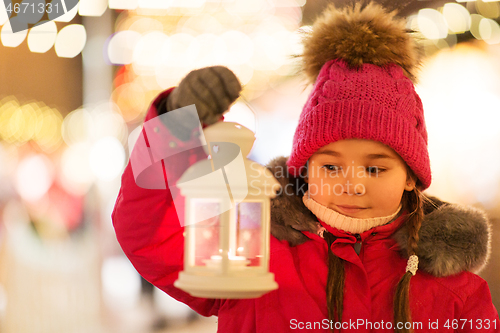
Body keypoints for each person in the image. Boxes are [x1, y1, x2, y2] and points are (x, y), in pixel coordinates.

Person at [112, 2, 499, 332]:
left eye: (375, 169)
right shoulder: (249, 250)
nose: (353, 185)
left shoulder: (455, 292)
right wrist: (175, 122)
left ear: (411, 177)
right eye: (331, 167)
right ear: (304, 169)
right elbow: (147, 233)